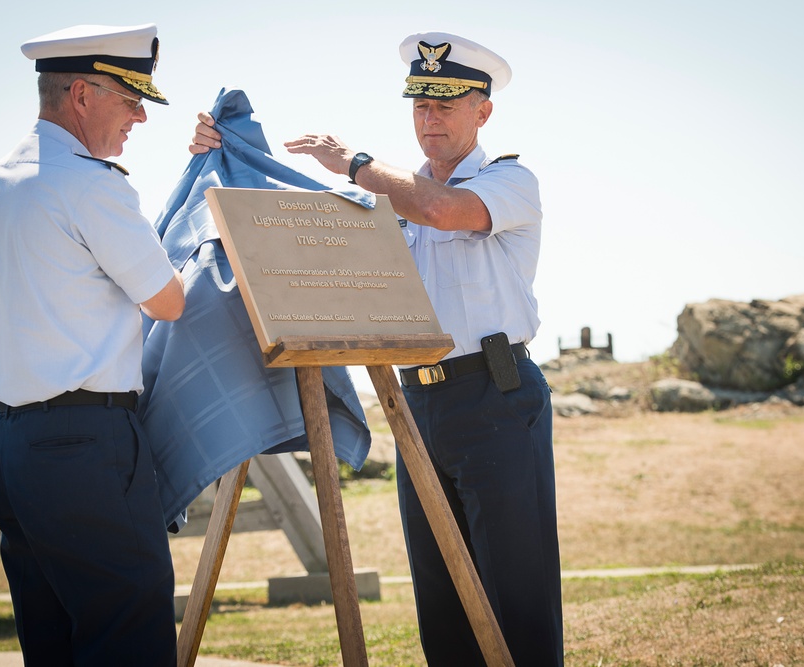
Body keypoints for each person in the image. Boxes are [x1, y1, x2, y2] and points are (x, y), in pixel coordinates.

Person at [192, 30, 563, 666]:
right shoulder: (386, 197)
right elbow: (299, 226)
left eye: (447, 103)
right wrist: (225, 155)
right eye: (421, 104)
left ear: (484, 110)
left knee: (515, 606)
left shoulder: (509, 182)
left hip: (495, 399)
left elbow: (443, 210)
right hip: (418, 408)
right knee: (443, 613)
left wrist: (353, 161)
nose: (431, 117)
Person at [0, 23, 184, 666]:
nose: (139, 116)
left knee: (49, 637)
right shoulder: (92, 185)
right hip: (87, 446)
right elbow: (168, 301)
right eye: (130, 97)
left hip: (8, 450)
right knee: (126, 631)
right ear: (81, 94)